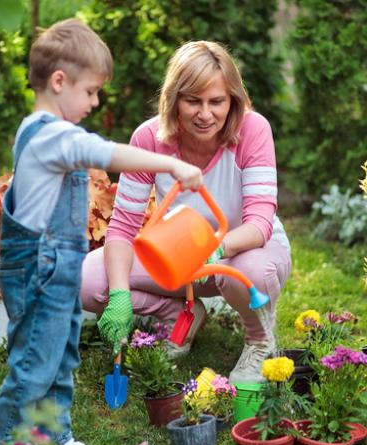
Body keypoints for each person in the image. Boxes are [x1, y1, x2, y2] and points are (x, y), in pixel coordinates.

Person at [0, 19, 203, 445]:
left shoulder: (51, 132)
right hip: (37, 269)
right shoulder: (50, 134)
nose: (95, 101)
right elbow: (105, 152)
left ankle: (57, 440)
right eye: (90, 91)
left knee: (62, 356)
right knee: (33, 364)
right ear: (59, 82)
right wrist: (173, 167)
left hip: (58, 268)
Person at [81, 40, 291, 385]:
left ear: (232, 101)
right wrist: (119, 294)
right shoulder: (149, 138)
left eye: (217, 102)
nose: (205, 114)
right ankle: (178, 316)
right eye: (193, 100)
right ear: (174, 99)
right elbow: (122, 228)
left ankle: (258, 339)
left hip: (240, 252)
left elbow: (259, 224)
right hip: (178, 257)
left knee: (249, 269)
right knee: (90, 280)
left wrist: (217, 247)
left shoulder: (253, 130)